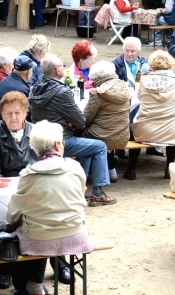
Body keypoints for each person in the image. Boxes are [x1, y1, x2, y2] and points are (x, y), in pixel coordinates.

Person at [0, 92, 73, 289]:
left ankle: (59, 263)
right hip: (6, 189)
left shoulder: (37, 133)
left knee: (50, 216)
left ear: (26, 112)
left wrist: (34, 181)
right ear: (2, 115)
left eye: (17, 112)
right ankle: (5, 268)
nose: (13, 117)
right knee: (7, 219)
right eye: (8, 113)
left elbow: (48, 162)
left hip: (37, 184)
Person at [4, 121, 95, 295]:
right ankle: (36, 285)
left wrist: (13, 222)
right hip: (75, 233)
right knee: (43, 227)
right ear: (57, 145)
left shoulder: (28, 174)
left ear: (36, 149)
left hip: (39, 240)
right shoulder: (75, 167)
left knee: (21, 232)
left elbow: (14, 212)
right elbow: (81, 193)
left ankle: (30, 287)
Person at [28, 55, 116, 206]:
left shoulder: (36, 87)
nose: (64, 67)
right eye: (63, 65)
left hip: (39, 140)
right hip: (60, 142)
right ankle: (98, 193)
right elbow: (81, 121)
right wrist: (69, 122)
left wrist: (68, 121)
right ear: (57, 70)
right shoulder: (62, 92)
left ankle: (78, 191)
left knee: (88, 148)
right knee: (100, 146)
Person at [126, 51, 175, 180]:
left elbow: (137, 98)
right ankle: (169, 168)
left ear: (151, 64)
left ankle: (131, 169)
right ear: (170, 64)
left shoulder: (142, 80)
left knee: (133, 129)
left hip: (145, 129)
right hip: (172, 130)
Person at [83, 60, 132, 183]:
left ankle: (87, 173)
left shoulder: (98, 93)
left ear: (99, 77)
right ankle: (111, 170)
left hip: (102, 136)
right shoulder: (124, 87)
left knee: (83, 132)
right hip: (122, 135)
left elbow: (86, 119)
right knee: (107, 129)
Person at [0, 56, 34, 121]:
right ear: (28, 72)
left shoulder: (5, 81)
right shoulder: (22, 90)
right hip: (6, 127)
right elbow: (29, 116)